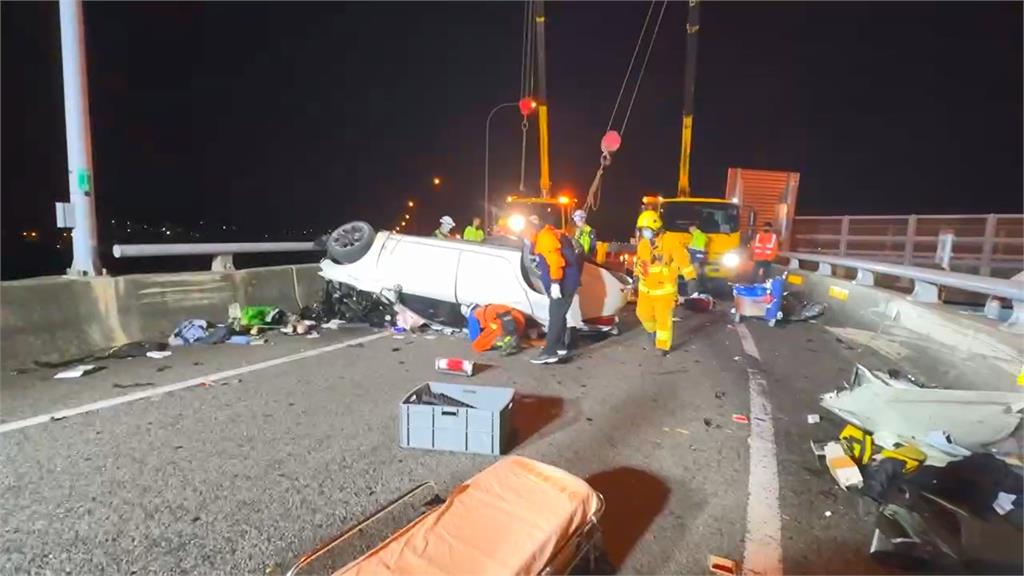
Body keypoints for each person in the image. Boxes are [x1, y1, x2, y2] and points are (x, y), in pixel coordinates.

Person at [522, 216, 581, 364]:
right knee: (559, 314)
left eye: (525, 232)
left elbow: (556, 261)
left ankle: (549, 352)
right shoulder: (546, 235)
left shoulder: (545, 238)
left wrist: (555, 282)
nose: (525, 236)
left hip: (563, 282)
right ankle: (560, 345)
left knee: (555, 316)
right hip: (566, 281)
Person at [635, 210, 694, 355]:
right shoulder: (643, 244)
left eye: (646, 229)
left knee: (663, 319)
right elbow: (640, 263)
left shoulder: (671, 242)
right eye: (642, 230)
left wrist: (691, 278)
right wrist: (636, 276)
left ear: (656, 229)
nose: (644, 233)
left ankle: (662, 346)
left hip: (664, 291)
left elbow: (683, 260)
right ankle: (652, 331)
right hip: (646, 290)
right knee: (643, 314)